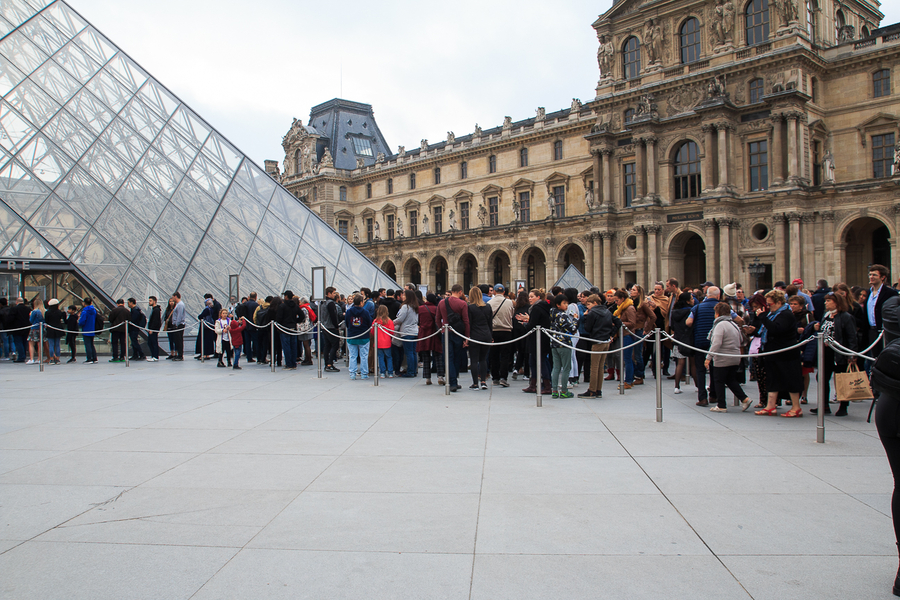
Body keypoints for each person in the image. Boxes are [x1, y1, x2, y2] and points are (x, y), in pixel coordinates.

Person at [755, 290, 804, 417]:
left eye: (770, 304)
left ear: (778, 302)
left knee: (791, 379)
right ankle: (770, 406)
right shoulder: (773, 314)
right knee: (772, 378)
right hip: (773, 351)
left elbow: (777, 329)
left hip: (785, 353)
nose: (768, 306)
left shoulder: (785, 314)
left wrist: (763, 317)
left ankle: (796, 407)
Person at [811, 292, 858, 416]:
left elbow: (851, 336)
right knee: (822, 378)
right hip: (825, 352)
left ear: (836, 302)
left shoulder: (845, 316)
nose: (825, 303)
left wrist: (851, 354)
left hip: (839, 352)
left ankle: (843, 406)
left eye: (828, 301)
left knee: (841, 379)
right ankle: (824, 404)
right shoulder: (826, 315)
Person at [705, 302, 750, 412]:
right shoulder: (733, 324)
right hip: (734, 356)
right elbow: (741, 340)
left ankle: (721, 405)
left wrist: (708, 357)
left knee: (719, 380)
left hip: (723, 357)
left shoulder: (720, 325)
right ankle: (744, 399)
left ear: (717, 313)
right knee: (730, 380)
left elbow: (716, 343)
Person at [577, 294, 620, 398]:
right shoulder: (607, 311)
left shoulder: (593, 313)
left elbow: (587, 328)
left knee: (594, 367)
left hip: (597, 341)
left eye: (589, 304)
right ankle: (598, 390)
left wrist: (586, 316)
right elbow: (618, 322)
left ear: (595, 303)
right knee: (600, 367)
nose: (587, 306)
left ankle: (592, 390)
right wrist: (611, 334)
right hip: (606, 341)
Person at [686, 286, 720, 405]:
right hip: (717, 342)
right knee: (714, 369)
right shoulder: (723, 307)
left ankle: (702, 397)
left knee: (700, 369)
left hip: (700, 341)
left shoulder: (697, 307)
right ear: (718, 296)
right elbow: (738, 319)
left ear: (707, 295)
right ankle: (714, 395)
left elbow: (689, 322)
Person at [516, 289, 553, 394]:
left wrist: (524, 324)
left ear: (538, 297)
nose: (530, 298)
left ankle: (546, 386)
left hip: (537, 339)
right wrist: (528, 319)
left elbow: (533, 325)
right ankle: (534, 385)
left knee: (538, 362)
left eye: (532, 296)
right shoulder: (543, 307)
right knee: (535, 362)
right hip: (542, 338)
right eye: (529, 296)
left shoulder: (536, 308)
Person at [437, 284, 471, 392]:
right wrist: (467, 337)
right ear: (460, 292)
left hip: (446, 332)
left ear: (452, 291)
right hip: (458, 333)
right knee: (457, 357)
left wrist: (441, 329)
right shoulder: (462, 304)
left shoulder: (442, 302)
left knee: (448, 357)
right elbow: (466, 321)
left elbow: (437, 319)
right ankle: (454, 381)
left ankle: (452, 381)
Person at [866, 264, 899, 365]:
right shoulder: (869, 292)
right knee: (872, 359)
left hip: (884, 331)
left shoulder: (890, 293)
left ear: (882, 277)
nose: (871, 277)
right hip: (871, 330)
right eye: (870, 274)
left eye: (874, 275)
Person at [548, 293, 578, 398]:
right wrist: (575, 320)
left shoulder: (552, 314)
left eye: (567, 303)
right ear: (558, 304)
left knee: (556, 367)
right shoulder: (562, 315)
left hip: (554, 343)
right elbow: (572, 329)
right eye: (564, 303)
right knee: (566, 367)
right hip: (564, 343)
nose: (566, 305)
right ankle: (564, 390)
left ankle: (555, 390)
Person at [466, 286, 493, 390]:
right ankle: (483, 381)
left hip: (475, 335)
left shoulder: (470, 307)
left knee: (474, 360)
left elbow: (469, 324)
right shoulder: (488, 307)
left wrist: (467, 337)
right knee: (483, 359)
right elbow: (490, 323)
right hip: (486, 334)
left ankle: (475, 383)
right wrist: (491, 336)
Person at [488, 284, 515, 387]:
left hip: (494, 330)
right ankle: (503, 377)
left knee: (494, 355)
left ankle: (495, 378)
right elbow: (511, 315)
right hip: (506, 330)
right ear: (504, 292)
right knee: (505, 355)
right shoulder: (509, 303)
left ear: (494, 292)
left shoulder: (490, 303)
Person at [669, 292, 694, 395]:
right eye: (691, 298)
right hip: (690, 339)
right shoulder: (691, 311)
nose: (693, 300)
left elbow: (672, 326)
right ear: (687, 301)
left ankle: (676, 386)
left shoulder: (674, 312)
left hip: (678, 339)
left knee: (680, 363)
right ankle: (698, 385)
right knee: (693, 363)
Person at [612, 289, 638, 389]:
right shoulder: (622, 308)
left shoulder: (629, 308)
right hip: (623, 334)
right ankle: (629, 379)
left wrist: (619, 323)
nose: (616, 302)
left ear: (623, 299)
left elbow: (632, 323)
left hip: (628, 335)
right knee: (627, 358)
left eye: (617, 300)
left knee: (627, 359)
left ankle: (628, 380)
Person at [345, 294, 373, 380]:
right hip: (363, 336)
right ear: (361, 302)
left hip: (352, 335)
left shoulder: (349, 312)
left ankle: (352, 373)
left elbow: (346, 323)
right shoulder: (365, 312)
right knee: (364, 356)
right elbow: (369, 323)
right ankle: (364, 373)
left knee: (352, 356)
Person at [417, 292, 443, 385]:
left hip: (424, 333)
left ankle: (427, 378)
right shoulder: (437, 309)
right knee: (438, 356)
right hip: (435, 334)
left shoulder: (420, 309)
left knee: (426, 356)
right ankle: (440, 376)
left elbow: (418, 321)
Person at [394, 290, 420, 377]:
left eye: (404, 295)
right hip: (414, 331)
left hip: (407, 331)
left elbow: (400, 319)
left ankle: (410, 372)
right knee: (413, 352)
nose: (402, 296)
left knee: (409, 353)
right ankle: (414, 371)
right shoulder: (415, 306)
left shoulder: (405, 306)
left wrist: (391, 322)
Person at [276, 294, 300, 370]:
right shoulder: (295, 306)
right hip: (293, 328)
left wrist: (281, 324)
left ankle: (288, 363)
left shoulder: (282, 306)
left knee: (286, 346)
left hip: (284, 328)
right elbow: (301, 315)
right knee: (293, 346)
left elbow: (278, 318)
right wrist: (295, 321)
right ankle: (293, 363)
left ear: (286, 296)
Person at [320, 287, 342, 373]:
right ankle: (330, 364)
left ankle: (327, 363)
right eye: (333, 293)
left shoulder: (322, 302)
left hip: (324, 326)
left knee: (327, 345)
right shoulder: (330, 303)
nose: (334, 295)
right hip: (331, 327)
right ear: (329, 293)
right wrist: (336, 325)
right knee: (335, 344)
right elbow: (333, 315)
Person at [373, 304, 395, 378]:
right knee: (389, 357)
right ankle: (390, 372)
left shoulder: (375, 321)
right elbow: (392, 332)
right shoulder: (389, 321)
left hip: (378, 342)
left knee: (380, 357)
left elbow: (373, 332)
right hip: (387, 342)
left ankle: (382, 372)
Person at [108, 299, 130, 363]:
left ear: (117, 304)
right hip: (124, 329)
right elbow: (129, 319)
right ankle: (122, 356)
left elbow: (110, 319)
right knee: (123, 343)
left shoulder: (114, 310)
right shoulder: (127, 311)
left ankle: (115, 357)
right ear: (123, 304)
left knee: (115, 343)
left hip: (115, 329)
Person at [78, 297, 98, 364]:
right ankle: (94, 358)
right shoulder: (94, 310)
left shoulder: (85, 311)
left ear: (84, 303)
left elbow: (82, 321)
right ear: (91, 303)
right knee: (92, 344)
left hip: (86, 329)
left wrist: (79, 323)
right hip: (92, 329)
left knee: (88, 345)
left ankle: (89, 358)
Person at [44, 299, 64, 365]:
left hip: (50, 329)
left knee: (51, 345)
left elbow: (46, 321)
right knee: (57, 344)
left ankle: (51, 359)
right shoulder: (59, 312)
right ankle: (57, 359)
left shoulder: (47, 312)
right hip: (58, 329)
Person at [146, 296, 161, 361]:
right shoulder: (155, 309)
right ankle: (154, 356)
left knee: (153, 342)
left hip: (154, 329)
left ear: (154, 301)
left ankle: (155, 356)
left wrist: (152, 329)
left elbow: (155, 320)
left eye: (150, 301)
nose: (149, 302)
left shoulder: (156, 310)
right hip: (153, 329)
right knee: (151, 342)